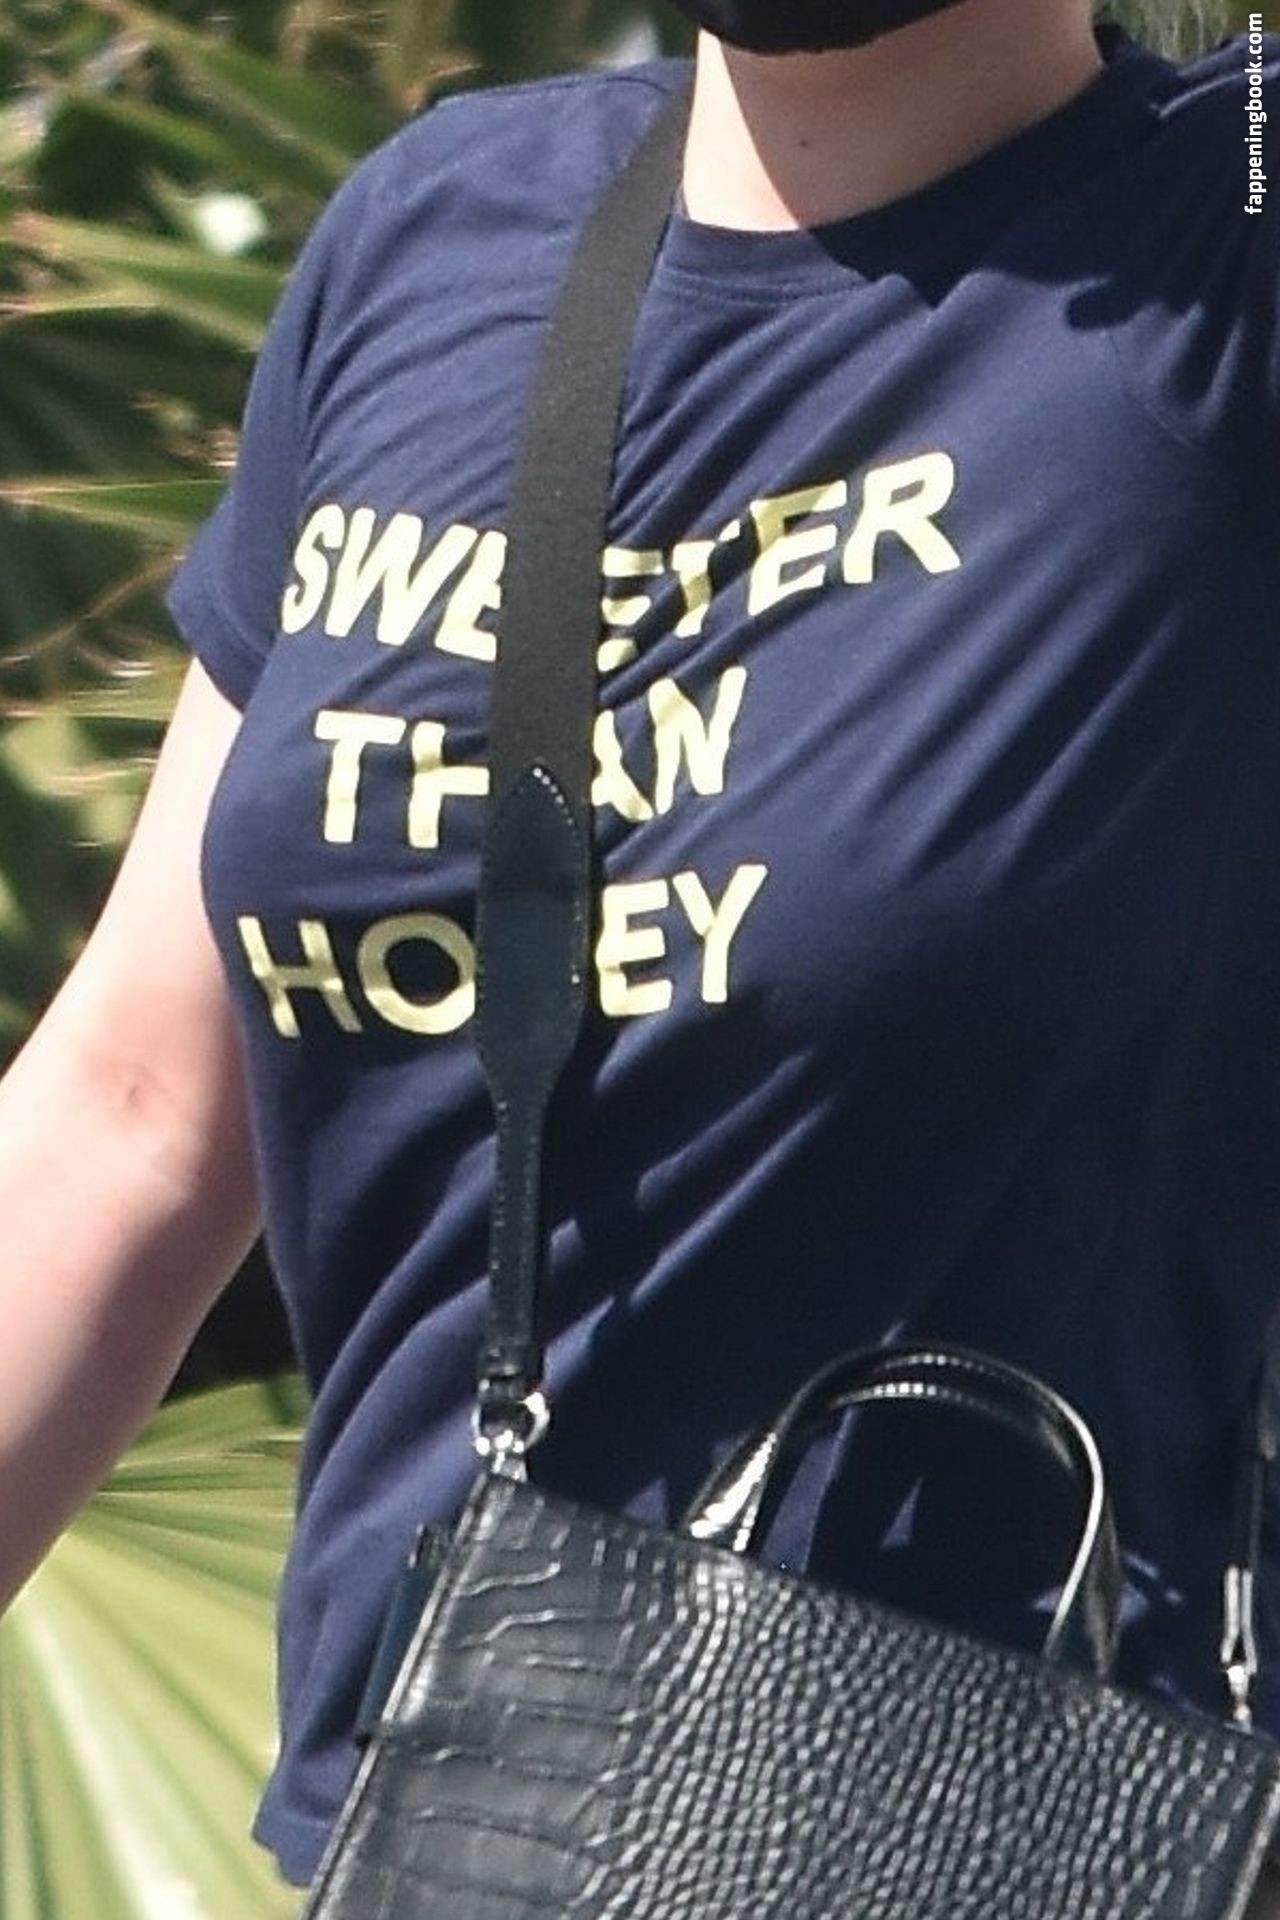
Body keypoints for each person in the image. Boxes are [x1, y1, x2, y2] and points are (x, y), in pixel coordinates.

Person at [1, 0, 1278, 1892]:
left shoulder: (1224, 258)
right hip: (454, 1823)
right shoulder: (440, 230)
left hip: (1019, 1831)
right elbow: (130, 1110)